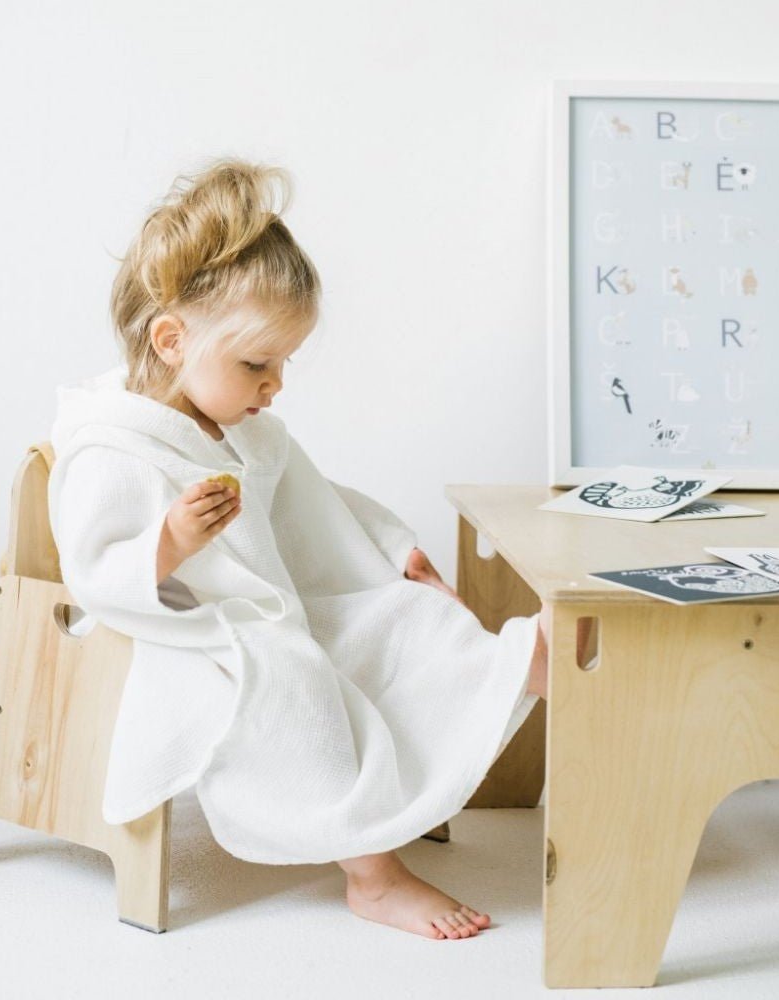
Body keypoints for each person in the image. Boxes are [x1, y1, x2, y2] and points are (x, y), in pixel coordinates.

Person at [47, 157, 552, 943]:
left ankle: (525, 663)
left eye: (283, 362)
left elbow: (323, 509)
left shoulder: (250, 432)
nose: (275, 383)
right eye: (257, 363)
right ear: (172, 340)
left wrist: (392, 556)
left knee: (401, 620)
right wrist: (168, 542)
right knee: (294, 678)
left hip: (275, 604)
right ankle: (372, 876)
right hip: (193, 630)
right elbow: (92, 568)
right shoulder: (113, 448)